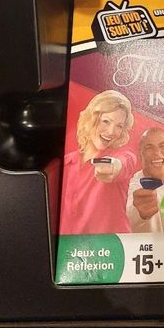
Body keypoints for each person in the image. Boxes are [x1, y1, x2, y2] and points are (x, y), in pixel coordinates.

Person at [59, 90, 136, 235]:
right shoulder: (66, 163)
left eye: (119, 126)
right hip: (70, 247)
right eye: (106, 121)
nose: (111, 131)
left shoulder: (123, 155)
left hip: (112, 246)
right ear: (91, 119)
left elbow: (125, 163)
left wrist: (114, 167)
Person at [126, 127, 164, 233]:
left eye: (162, 146)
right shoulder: (129, 188)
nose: (157, 153)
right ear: (140, 154)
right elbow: (128, 214)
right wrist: (139, 213)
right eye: (149, 148)